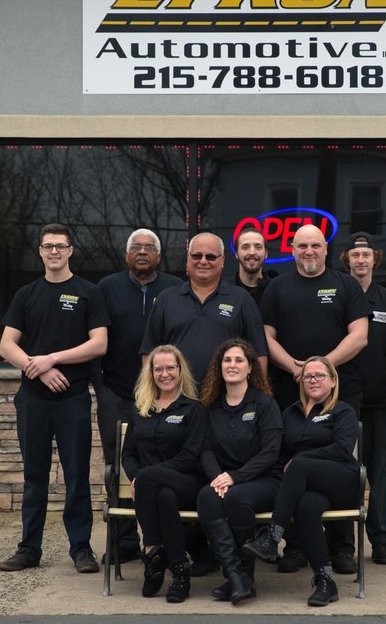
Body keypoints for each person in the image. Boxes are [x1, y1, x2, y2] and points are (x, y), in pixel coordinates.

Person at [0, 223, 109, 574]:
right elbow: (6, 346)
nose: (54, 252)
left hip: (73, 399)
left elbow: (99, 344)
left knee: (77, 476)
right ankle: (29, 549)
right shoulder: (26, 294)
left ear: (71, 250)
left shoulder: (88, 293)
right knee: (34, 476)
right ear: (41, 251)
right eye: (48, 246)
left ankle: (81, 549)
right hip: (33, 399)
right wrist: (39, 369)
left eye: (60, 246)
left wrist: (52, 359)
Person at [260, 223, 369, 574]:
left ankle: (341, 547)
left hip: (340, 389)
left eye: (316, 245)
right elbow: (265, 337)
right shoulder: (278, 287)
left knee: (337, 462)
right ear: (292, 249)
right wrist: (296, 369)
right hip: (290, 389)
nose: (309, 251)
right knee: (291, 461)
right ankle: (296, 546)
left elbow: (360, 336)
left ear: (326, 249)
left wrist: (319, 369)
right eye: (302, 245)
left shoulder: (346, 285)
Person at [243, 356, 360, 608]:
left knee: (300, 464)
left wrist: (300, 459)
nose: (313, 380)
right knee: (307, 506)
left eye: (320, 375)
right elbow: (280, 455)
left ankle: (273, 535)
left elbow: (342, 449)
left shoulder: (342, 411)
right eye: (308, 376)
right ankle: (325, 581)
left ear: (333, 381)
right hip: (307, 487)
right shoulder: (290, 413)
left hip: (341, 480)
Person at [93, 228, 180, 563]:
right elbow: (94, 337)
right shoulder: (107, 287)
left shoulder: (174, 288)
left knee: (165, 463)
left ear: (159, 256)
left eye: (149, 247)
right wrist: (100, 386)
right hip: (117, 393)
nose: (142, 252)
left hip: (164, 394)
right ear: (127, 255)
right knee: (118, 466)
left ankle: (165, 540)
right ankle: (125, 541)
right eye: (136, 247)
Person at [197, 338, 283, 605]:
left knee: (236, 498)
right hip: (225, 480)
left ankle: (246, 574)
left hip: (265, 480)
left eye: (238, 360)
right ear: (219, 367)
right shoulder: (210, 407)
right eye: (226, 360)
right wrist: (217, 478)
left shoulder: (265, 404)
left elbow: (270, 452)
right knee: (206, 496)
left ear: (250, 368)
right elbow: (205, 450)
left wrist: (235, 477)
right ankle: (236, 576)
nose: (232, 365)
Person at [121, 345, 207, 602]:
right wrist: (137, 476)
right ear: (150, 373)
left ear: (180, 371)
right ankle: (180, 573)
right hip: (154, 491)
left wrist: (144, 476)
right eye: (158, 369)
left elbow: (189, 457)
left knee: (156, 484)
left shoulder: (193, 408)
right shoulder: (141, 409)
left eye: (170, 368)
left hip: (188, 483)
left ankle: (151, 552)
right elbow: (128, 454)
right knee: (164, 496)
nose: (164, 373)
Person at [340, 231, 386, 566]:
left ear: (374, 260)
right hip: (341, 401)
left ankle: (380, 539)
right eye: (355, 255)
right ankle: (343, 544)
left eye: (366, 255)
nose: (360, 260)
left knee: (378, 473)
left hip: (379, 399)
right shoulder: (338, 295)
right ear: (347, 260)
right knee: (344, 472)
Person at [141, 232, 268, 386]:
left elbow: (259, 354)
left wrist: (255, 394)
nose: (203, 261)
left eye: (211, 257)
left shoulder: (241, 299)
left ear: (222, 261)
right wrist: (154, 391)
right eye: (196, 256)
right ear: (188, 259)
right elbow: (149, 352)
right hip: (176, 395)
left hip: (227, 396)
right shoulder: (166, 299)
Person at [233, 227, 277, 305]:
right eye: (245, 247)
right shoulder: (223, 290)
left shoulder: (276, 291)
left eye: (258, 247)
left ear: (266, 254)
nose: (252, 252)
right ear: (236, 254)